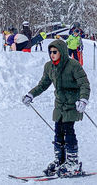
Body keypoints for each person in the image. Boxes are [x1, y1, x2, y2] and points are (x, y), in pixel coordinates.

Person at [22, 39, 90, 177]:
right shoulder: (49, 67)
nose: (52, 54)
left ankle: (73, 162)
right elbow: (43, 84)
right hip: (59, 104)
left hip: (72, 104)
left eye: (55, 52)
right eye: (50, 52)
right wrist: (31, 94)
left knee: (68, 130)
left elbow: (84, 84)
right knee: (58, 131)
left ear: (62, 52)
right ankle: (60, 160)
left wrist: (83, 99)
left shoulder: (73, 65)